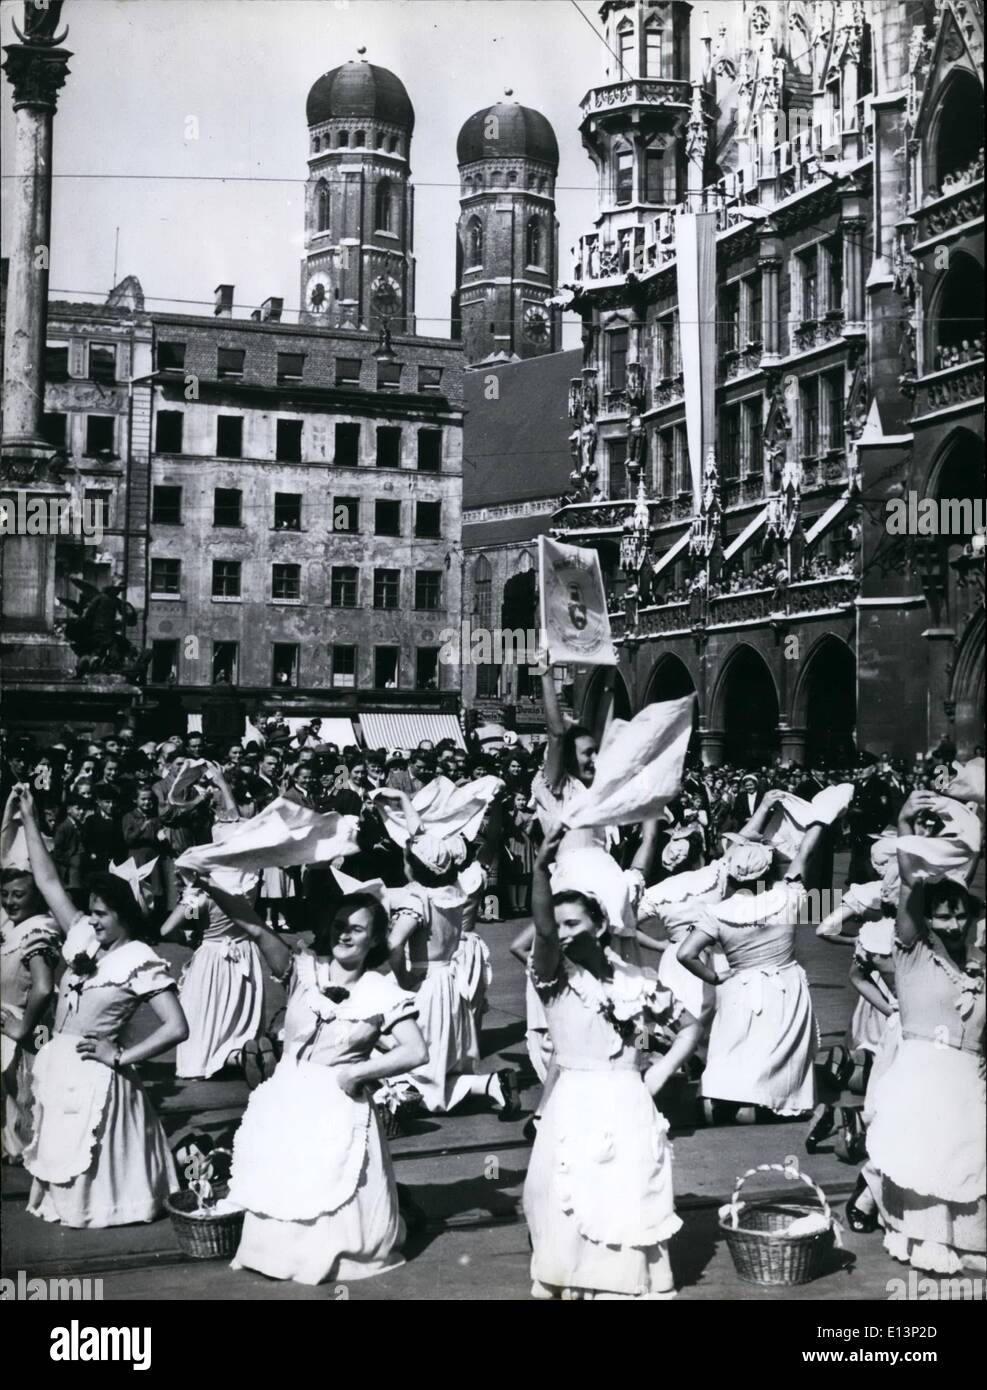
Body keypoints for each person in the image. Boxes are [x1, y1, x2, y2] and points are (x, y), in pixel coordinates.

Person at [523, 825, 702, 1299]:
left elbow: (691, 1025)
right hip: (575, 1098)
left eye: (572, 924)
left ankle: (621, 1285)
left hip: (627, 1099)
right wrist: (541, 868)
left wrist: (659, 1072)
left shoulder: (637, 979)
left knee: (626, 1192)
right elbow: (540, 930)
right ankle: (572, 1282)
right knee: (569, 1191)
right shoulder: (554, 977)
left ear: (600, 926)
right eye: (556, 924)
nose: (560, 934)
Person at [227, 893, 427, 1285]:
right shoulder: (303, 969)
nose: (345, 935)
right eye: (339, 925)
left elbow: (416, 1050)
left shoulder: (380, 990)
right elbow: (253, 925)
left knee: (342, 1212)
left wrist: (359, 1073)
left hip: (339, 1101)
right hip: (289, 1097)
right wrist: (209, 880)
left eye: (357, 928)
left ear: (374, 940)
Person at [15, 786, 188, 1228]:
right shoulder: (80, 935)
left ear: (124, 916)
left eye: (102, 914)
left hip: (100, 1076)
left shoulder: (140, 960)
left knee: (91, 1169)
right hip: (60, 1063)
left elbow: (176, 1027)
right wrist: (30, 817)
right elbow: (47, 880)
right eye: (90, 911)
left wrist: (122, 1056)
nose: (92, 919)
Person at [853, 792, 985, 1274]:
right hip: (922, 1075)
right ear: (927, 920)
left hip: (968, 1082)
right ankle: (912, 1227)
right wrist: (906, 821)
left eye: (961, 915)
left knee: (965, 1164)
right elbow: (911, 882)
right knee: (925, 1157)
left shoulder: (978, 967)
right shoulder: (911, 952)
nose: (953, 923)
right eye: (942, 915)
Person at [677, 819, 823, 1121]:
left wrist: (714, 977)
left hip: (739, 984)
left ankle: (724, 1101)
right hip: (783, 982)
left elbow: (686, 953)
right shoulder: (788, 896)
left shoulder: (717, 913)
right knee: (775, 1045)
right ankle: (767, 1103)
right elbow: (804, 853)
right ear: (769, 871)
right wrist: (820, 820)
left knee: (735, 1044)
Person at [383, 831, 520, 1117]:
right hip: (451, 981)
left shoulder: (417, 900)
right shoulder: (454, 892)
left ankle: (402, 1096)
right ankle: (493, 1084)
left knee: (413, 1051)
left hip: (425, 983)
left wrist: (402, 976)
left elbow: (394, 943)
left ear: (413, 867)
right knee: (444, 1057)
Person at [162, 872, 265, 1081]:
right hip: (244, 951)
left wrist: (185, 937)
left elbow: (168, 929)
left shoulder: (199, 895)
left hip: (212, 955)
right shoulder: (248, 885)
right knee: (236, 1011)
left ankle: (203, 1062)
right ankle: (240, 1053)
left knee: (202, 1011)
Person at [1, 865, 60, 1162]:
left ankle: (33, 1153)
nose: (10, 901)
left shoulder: (38, 930)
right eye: (5, 894)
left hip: (31, 1029)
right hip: (8, 1025)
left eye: (18, 895)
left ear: (36, 897)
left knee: (31, 1089)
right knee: (12, 1092)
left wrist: (23, 1027)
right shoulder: (13, 927)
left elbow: (44, 987)